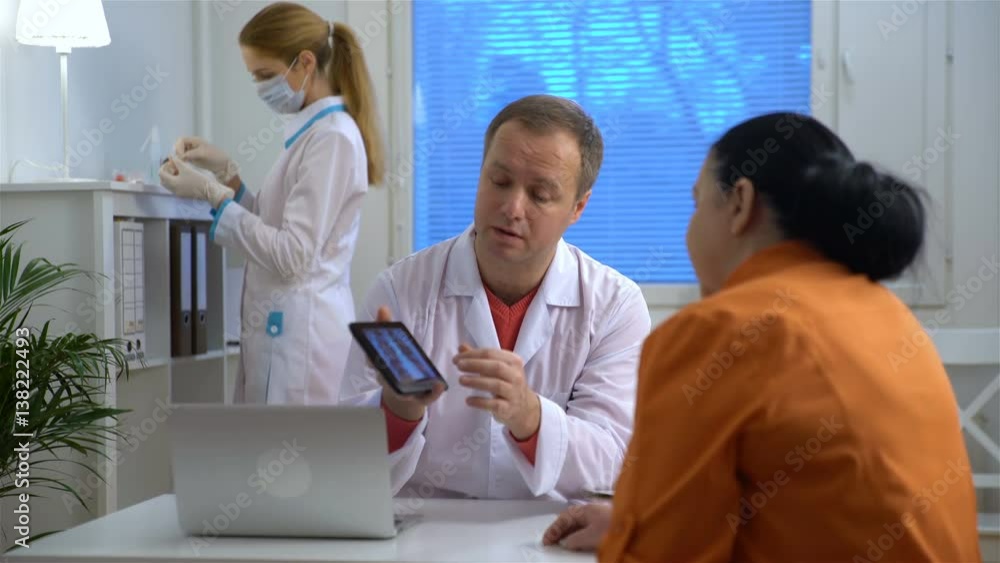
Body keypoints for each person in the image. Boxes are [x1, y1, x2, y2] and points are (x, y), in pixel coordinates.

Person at [543, 113, 982, 561]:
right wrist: (629, 520)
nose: (688, 233)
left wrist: (633, 535)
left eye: (697, 205)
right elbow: (815, 506)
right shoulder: (887, 315)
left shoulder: (718, 332)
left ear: (740, 204)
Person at [339, 94, 652, 501]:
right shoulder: (401, 289)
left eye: (540, 194)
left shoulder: (615, 306)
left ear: (578, 207)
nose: (511, 207)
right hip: (427, 532)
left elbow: (614, 461)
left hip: (548, 534)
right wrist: (398, 411)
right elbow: (345, 460)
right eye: (499, 181)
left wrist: (531, 416)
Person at [158, 2, 385, 404]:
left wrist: (212, 195)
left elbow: (293, 255)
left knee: (289, 460)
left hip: (303, 340)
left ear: (305, 63)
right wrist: (227, 175)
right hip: (286, 331)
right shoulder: (313, 133)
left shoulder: (332, 138)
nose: (260, 87)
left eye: (265, 75)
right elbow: (272, 224)